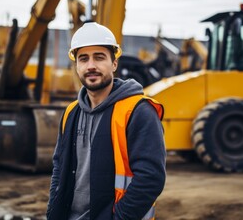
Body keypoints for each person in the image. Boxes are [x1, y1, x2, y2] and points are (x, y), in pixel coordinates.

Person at [46, 22, 166, 220]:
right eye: (83, 59)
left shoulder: (138, 111)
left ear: (114, 64)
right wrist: (53, 212)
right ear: (76, 65)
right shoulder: (71, 112)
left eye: (99, 57)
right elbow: (59, 168)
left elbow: (150, 178)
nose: (91, 65)